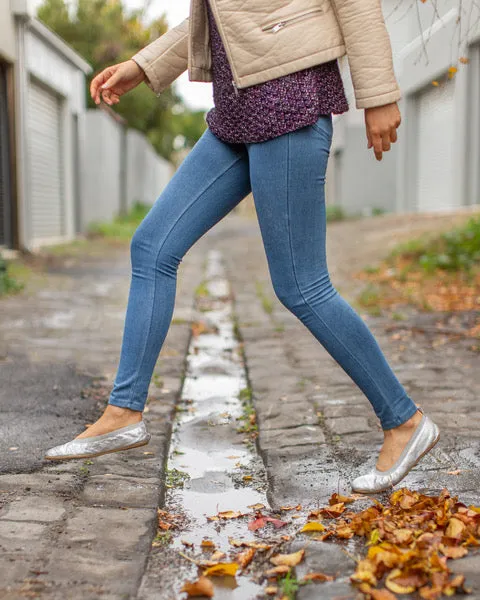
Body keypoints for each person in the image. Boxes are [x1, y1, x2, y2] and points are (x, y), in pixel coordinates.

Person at [45, 0, 440, 494]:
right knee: (153, 246)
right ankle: (124, 412)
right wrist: (143, 66)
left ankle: (404, 420)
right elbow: (216, 15)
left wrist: (378, 93)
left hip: (291, 99)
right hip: (237, 111)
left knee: (301, 285)